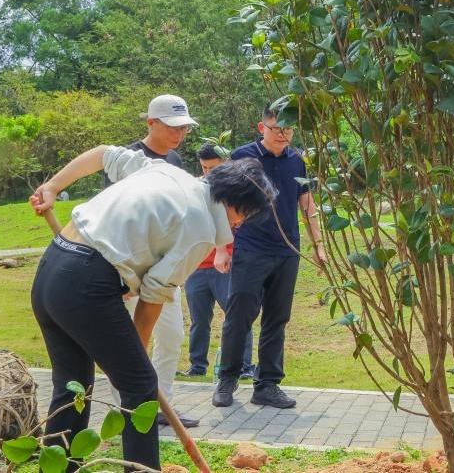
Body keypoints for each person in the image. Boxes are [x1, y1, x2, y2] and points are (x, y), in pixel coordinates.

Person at [29, 145, 273, 471]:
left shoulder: (166, 172)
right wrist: (136, 360)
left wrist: (53, 186)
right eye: (247, 215)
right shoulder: (200, 226)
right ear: (237, 205)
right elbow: (152, 299)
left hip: (52, 268)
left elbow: (103, 154)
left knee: (74, 388)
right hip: (86, 284)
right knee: (140, 388)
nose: (242, 223)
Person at [213, 103, 326, 409]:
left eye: (288, 129)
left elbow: (308, 205)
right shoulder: (241, 156)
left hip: (287, 250)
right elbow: (222, 204)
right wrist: (223, 247)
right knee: (239, 317)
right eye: (276, 129)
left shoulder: (298, 160)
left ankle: (267, 385)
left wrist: (319, 246)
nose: (282, 135)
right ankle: (227, 379)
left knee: (277, 319)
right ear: (261, 127)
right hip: (250, 248)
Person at [112, 94, 198, 428]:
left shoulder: (175, 160)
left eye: (184, 128)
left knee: (173, 335)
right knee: (136, 341)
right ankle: (132, 406)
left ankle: (163, 405)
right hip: (133, 274)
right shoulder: (128, 160)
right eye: (172, 127)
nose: (179, 134)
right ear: (151, 122)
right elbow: (120, 222)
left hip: (166, 272)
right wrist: (123, 278)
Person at [181, 144, 255, 379]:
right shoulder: (195, 188)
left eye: (213, 167)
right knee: (198, 320)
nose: (208, 173)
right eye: (204, 167)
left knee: (236, 316)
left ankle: (243, 366)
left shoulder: (235, 190)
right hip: (197, 265)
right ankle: (197, 366)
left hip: (226, 264)